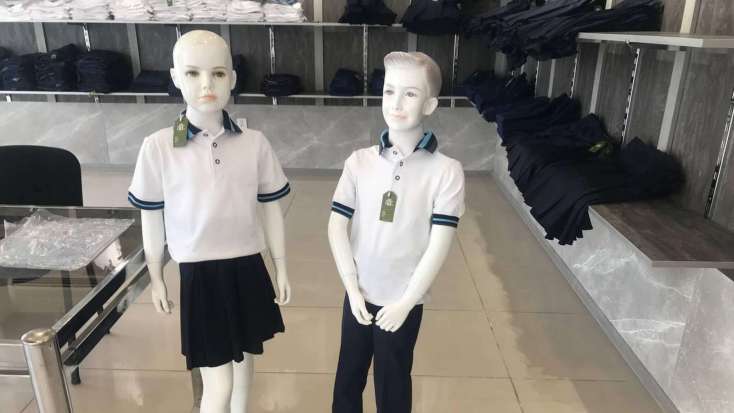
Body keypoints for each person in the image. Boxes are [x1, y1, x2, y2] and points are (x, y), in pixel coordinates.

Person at [127, 30, 291, 413]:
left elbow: (271, 207)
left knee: (246, 363)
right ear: (175, 77)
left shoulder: (254, 143)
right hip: (199, 272)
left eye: (217, 73)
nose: (206, 85)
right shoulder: (158, 146)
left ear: (232, 79)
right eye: (193, 73)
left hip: (247, 264)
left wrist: (281, 266)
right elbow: (151, 215)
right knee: (219, 382)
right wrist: (155, 275)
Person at [329, 51, 466, 413]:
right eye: (389, 91)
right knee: (347, 380)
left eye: (410, 93)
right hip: (358, 293)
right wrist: (351, 287)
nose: (396, 103)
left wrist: (408, 301)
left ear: (430, 104)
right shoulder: (359, 162)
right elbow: (336, 226)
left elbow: (439, 244)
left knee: (393, 384)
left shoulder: (446, 171)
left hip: (402, 299)